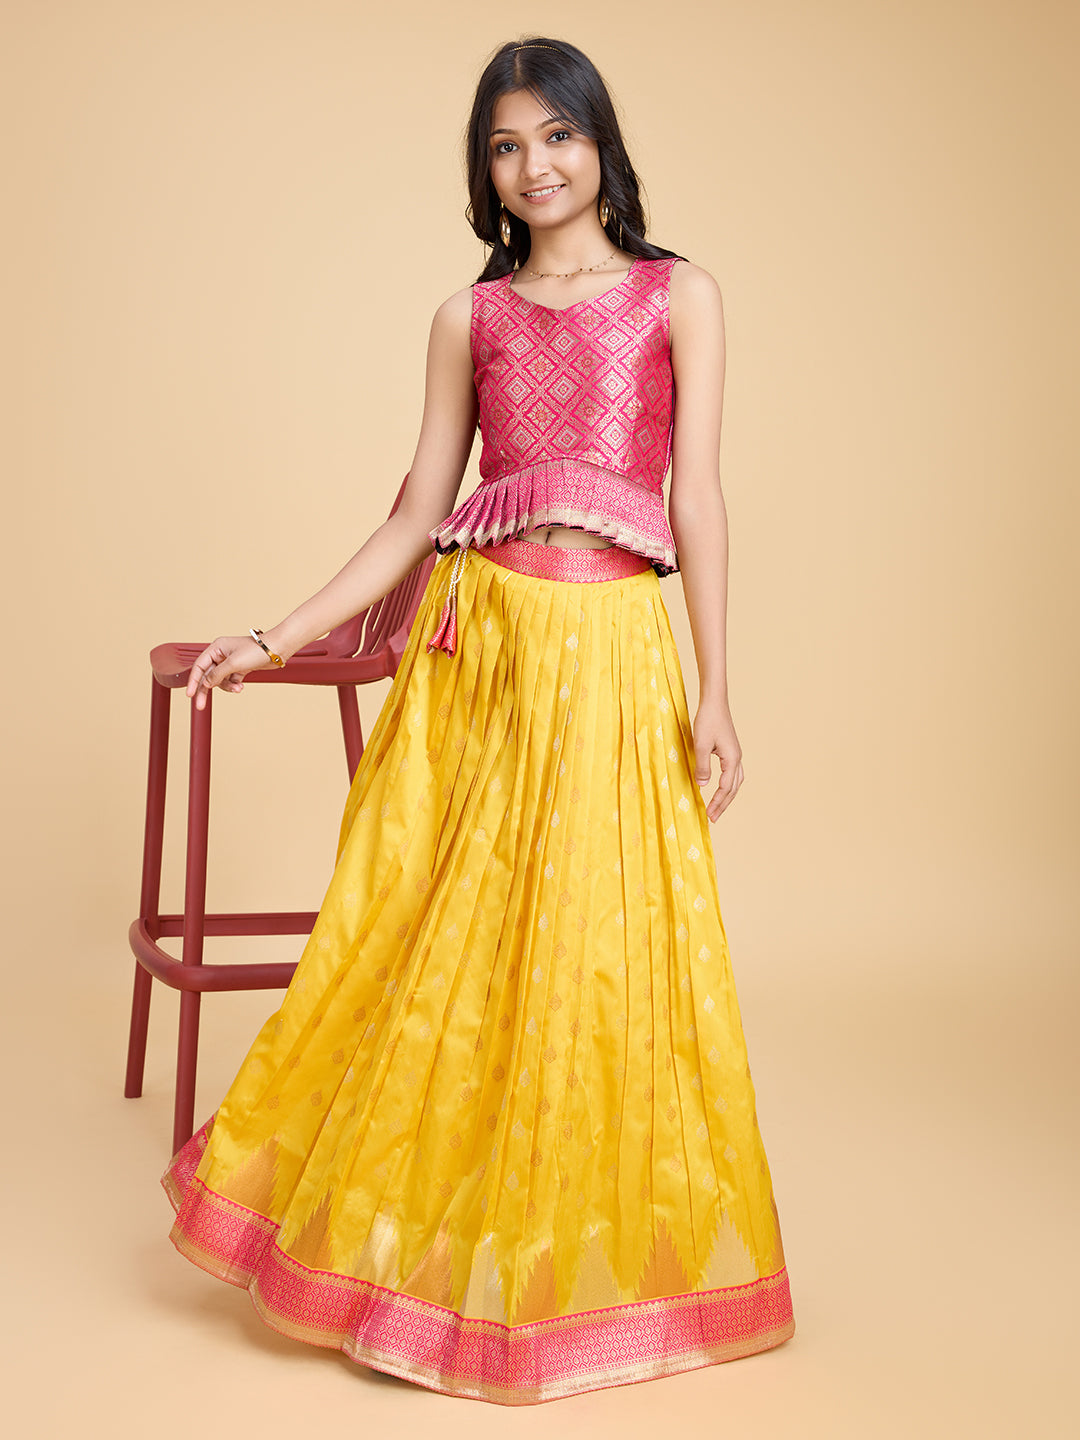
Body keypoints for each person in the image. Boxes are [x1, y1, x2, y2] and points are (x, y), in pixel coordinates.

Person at [161, 35, 796, 1405]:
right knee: (432, 931)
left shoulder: (681, 296)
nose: (535, 165)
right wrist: (278, 633)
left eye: (556, 136)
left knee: (594, 943)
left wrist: (717, 688)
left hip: (612, 649)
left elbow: (697, 498)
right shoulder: (471, 316)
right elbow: (416, 510)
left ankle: (569, 1270)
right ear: (485, 170)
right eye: (506, 146)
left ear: (600, 142)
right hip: (482, 650)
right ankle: (402, 1262)